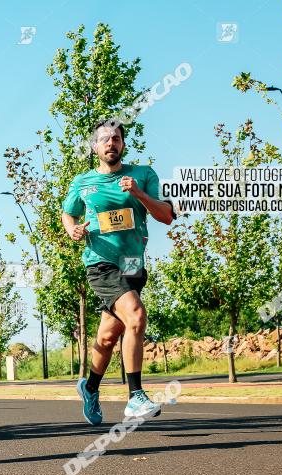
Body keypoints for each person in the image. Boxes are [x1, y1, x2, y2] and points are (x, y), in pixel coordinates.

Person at [61, 119, 175, 425]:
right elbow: (68, 213)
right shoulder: (82, 182)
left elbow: (166, 216)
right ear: (95, 147)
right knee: (136, 315)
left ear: (123, 144)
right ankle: (136, 396)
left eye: (116, 138)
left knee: (109, 336)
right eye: (105, 139)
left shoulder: (143, 174)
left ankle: (90, 387)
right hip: (100, 262)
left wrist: (138, 194)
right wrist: (73, 230)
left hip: (132, 263)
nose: (111, 143)